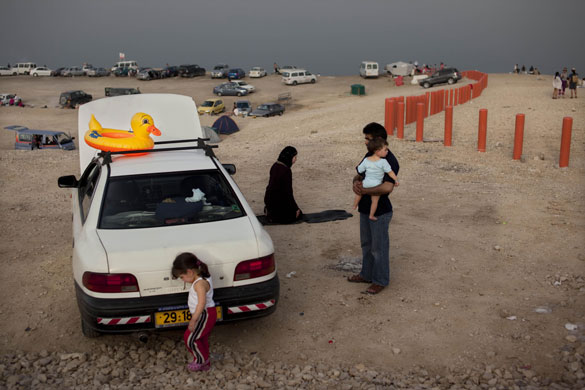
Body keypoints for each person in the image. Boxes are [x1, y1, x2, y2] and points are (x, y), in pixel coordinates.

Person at [348, 123, 399, 295]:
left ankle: (380, 280)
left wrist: (365, 191)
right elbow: (360, 173)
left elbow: (387, 187)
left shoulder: (390, 160)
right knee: (366, 245)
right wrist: (356, 182)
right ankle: (366, 274)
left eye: (367, 139)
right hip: (365, 208)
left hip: (380, 212)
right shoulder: (370, 154)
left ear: (379, 140)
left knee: (379, 248)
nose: (364, 142)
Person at [172, 253, 217, 372]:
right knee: (201, 338)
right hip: (205, 313)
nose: (183, 280)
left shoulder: (200, 285)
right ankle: (205, 361)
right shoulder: (202, 277)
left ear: (190, 272)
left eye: (182, 277)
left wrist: (193, 320)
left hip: (204, 314)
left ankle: (200, 361)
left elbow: (201, 304)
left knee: (190, 338)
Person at [353, 137, 399, 221]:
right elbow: (390, 172)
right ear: (378, 151)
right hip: (376, 184)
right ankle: (371, 215)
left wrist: (358, 183)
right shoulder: (384, 162)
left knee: (359, 193)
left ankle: (354, 205)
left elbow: (359, 170)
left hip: (366, 183)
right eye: (385, 150)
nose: (387, 152)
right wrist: (396, 180)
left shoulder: (367, 160)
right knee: (374, 201)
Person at [264, 146, 302, 224]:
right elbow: (288, 193)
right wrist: (296, 208)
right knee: (298, 214)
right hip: (278, 205)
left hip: (269, 203)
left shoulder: (274, 166)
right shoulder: (286, 171)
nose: (295, 159)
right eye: (294, 157)